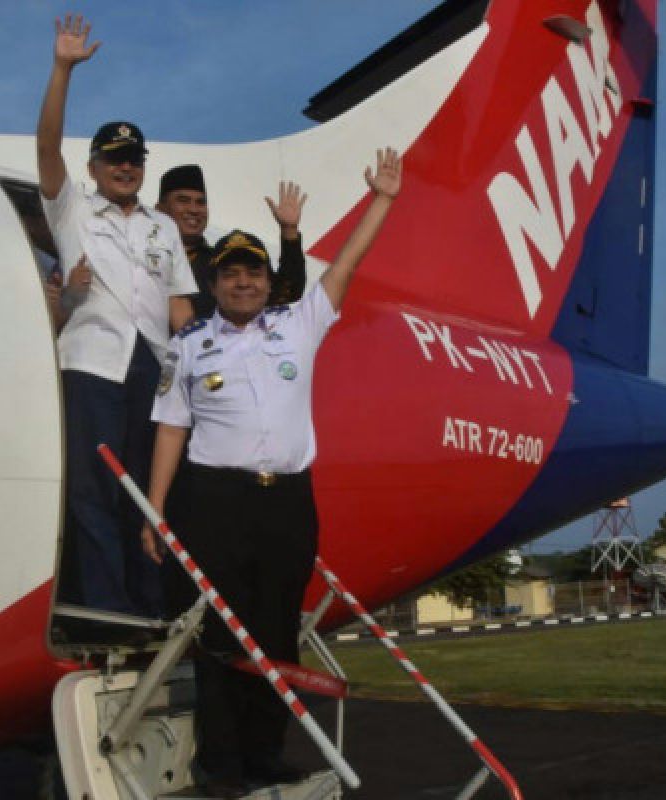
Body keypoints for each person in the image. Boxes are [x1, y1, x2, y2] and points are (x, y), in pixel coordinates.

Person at [143, 148, 403, 796]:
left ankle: (266, 754)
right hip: (215, 502)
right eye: (230, 273)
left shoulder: (298, 325)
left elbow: (344, 267)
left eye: (252, 272)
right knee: (221, 635)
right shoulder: (189, 346)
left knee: (277, 632)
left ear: (267, 279)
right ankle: (222, 765)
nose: (242, 283)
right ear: (216, 282)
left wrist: (383, 201)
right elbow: (171, 428)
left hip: (287, 502)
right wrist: (155, 508)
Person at [36, 14, 197, 617]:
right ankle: (107, 608)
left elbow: (180, 307)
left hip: (150, 372)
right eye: (115, 159)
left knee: (146, 497)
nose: (126, 167)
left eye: (134, 160)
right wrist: (62, 70)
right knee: (94, 491)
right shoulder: (73, 210)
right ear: (96, 167)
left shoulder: (162, 226)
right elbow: (47, 146)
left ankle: (149, 606)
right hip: (92, 364)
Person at [156, 165, 308, 317]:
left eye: (201, 202)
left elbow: (288, 291)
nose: (194, 209)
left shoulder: (218, 262)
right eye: (183, 201)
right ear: (159, 209)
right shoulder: (141, 258)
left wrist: (289, 231)